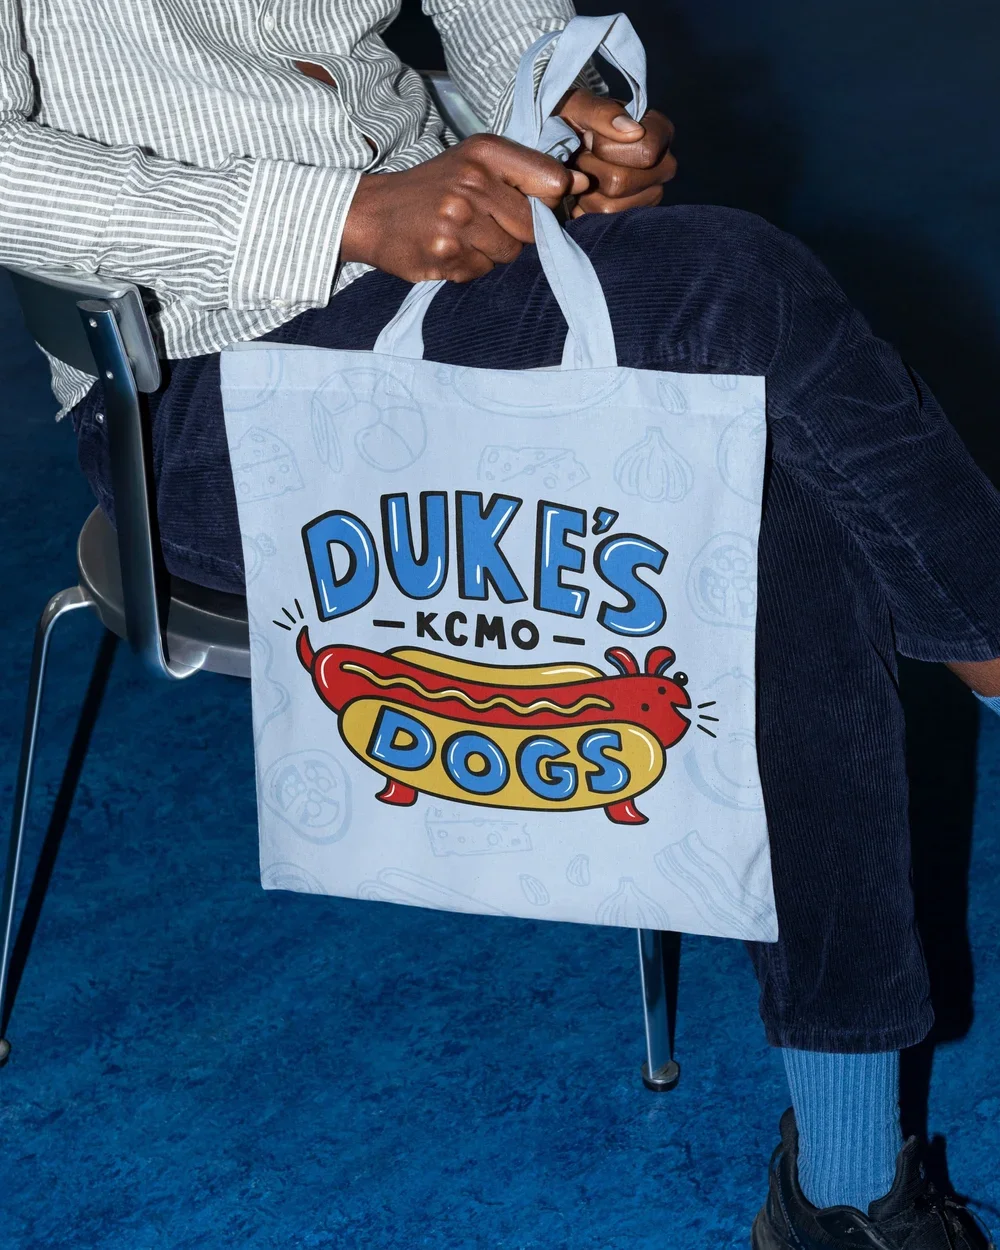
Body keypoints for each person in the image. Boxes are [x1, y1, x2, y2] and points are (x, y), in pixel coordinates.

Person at [1, 2, 997, 1246]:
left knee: (770, 482)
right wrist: (342, 216)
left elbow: (492, 14)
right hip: (204, 394)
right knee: (736, 288)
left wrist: (565, 114)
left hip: (453, 281)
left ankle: (846, 1188)